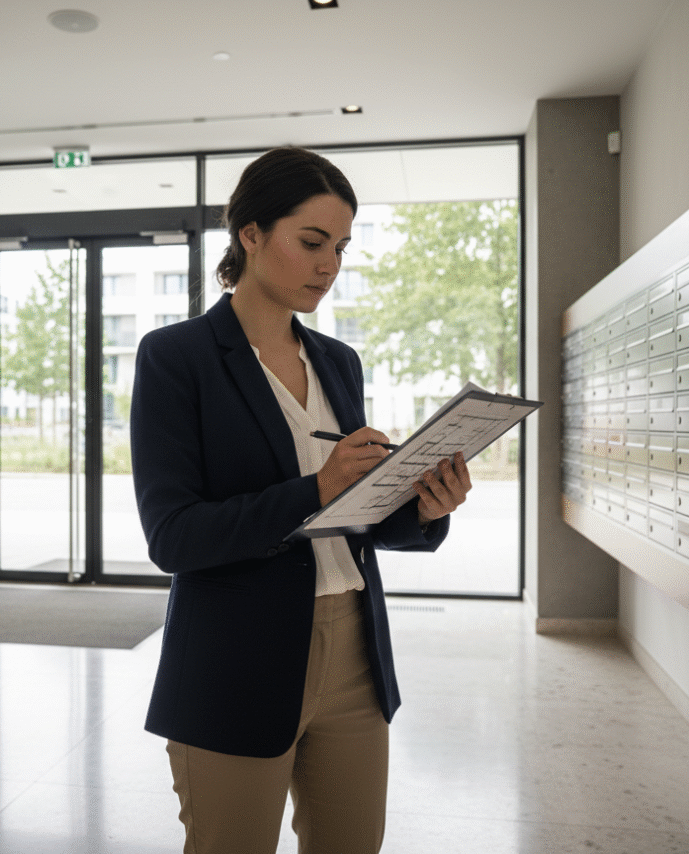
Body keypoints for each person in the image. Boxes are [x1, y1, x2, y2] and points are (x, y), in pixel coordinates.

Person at [130, 146, 472, 854]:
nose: (330, 265)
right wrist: (314, 488)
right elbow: (174, 537)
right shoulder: (176, 357)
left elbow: (352, 516)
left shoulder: (338, 362)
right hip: (234, 659)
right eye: (312, 242)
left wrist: (423, 509)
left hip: (353, 652)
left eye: (341, 247)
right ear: (250, 234)